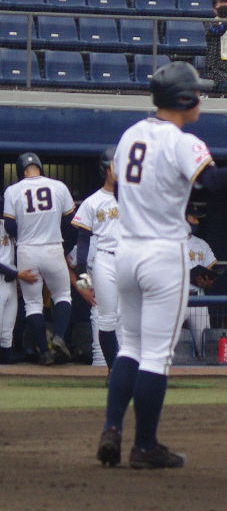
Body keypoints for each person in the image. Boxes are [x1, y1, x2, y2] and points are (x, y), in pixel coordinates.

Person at [97, 61, 227, 469]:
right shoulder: (181, 142)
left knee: (129, 347)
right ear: (183, 99)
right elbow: (214, 182)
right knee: (156, 355)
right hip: (163, 252)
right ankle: (145, 446)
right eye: (196, 92)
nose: (201, 97)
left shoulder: (130, 133)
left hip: (126, 250)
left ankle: (112, 429)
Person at [3, 152, 76, 366]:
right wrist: (65, 247)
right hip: (53, 247)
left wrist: (25, 228)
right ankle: (59, 336)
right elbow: (72, 221)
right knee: (62, 295)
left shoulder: (13, 190)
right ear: (39, 167)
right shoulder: (59, 186)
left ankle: (44, 353)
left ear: (20, 170)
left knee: (33, 304)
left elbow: (8, 226)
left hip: (27, 250)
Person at [72, 147, 121, 371]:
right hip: (104, 259)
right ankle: (112, 370)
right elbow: (82, 243)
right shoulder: (92, 202)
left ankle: (126, 371)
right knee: (105, 319)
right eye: (114, 165)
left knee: (130, 321)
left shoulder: (135, 198)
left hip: (130, 260)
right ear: (105, 169)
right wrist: (83, 281)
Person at [185, 203, 218, 358]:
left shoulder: (201, 244)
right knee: (165, 343)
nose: (197, 222)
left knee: (204, 346)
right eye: (194, 218)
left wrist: (208, 282)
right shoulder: (164, 242)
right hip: (174, 298)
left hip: (197, 298)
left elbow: (210, 274)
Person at [0, 227, 37, 364]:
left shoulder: (9, 225)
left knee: (6, 334)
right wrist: (16, 274)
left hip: (10, 282)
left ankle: (4, 376)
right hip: (7, 277)